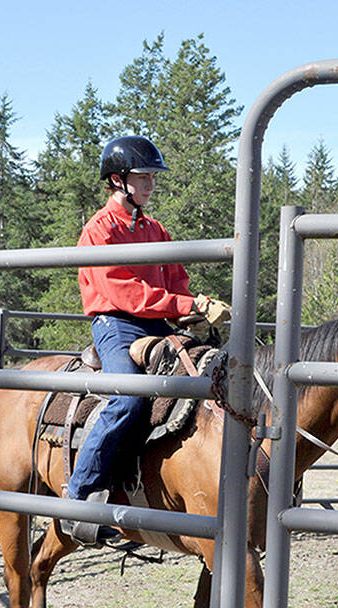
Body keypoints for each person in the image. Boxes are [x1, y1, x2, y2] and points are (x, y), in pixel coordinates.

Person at [62, 135, 231, 546]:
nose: (151, 184)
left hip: (156, 322)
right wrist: (184, 301)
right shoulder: (99, 230)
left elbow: (175, 281)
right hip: (116, 323)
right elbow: (123, 291)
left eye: (153, 177)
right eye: (144, 177)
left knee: (207, 380)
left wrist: (195, 306)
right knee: (130, 398)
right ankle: (77, 500)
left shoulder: (156, 230)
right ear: (118, 180)